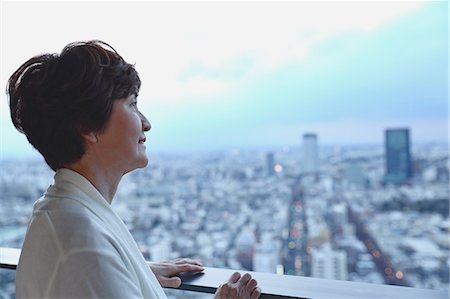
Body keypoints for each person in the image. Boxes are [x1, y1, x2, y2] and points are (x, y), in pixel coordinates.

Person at [7, 40, 261, 299]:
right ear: (88, 127)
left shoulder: (62, 215)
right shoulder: (83, 246)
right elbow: (83, 263)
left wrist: (133, 270)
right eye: (131, 104)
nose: (146, 123)